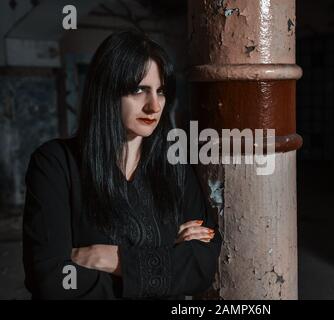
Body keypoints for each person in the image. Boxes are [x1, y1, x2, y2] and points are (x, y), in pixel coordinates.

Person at [22, 29, 222, 300]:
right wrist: (164, 254)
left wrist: (112, 259)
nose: (154, 106)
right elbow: (51, 279)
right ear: (107, 91)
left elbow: (201, 265)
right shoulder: (55, 163)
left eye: (160, 91)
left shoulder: (174, 165)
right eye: (139, 90)